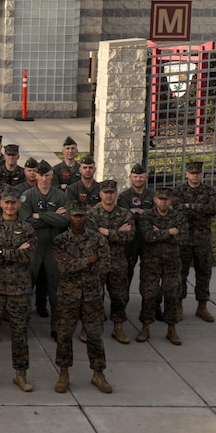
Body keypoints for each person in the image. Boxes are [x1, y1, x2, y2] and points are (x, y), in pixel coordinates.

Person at [52, 204, 113, 394]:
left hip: (92, 295)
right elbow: (63, 268)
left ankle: (98, 373)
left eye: (81, 216)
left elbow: (104, 266)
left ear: (86, 218)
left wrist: (75, 263)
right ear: (69, 217)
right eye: (75, 216)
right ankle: (63, 373)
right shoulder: (60, 241)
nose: (78, 219)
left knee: (95, 336)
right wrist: (88, 261)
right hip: (68, 295)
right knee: (64, 335)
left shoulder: (97, 239)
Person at [0, 189, 36, 391]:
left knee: (20, 333)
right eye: (7, 202)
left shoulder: (27, 229)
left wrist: (0, 251)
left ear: (19, 205)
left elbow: (29, 255)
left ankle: (20, 374)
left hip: (19, 289)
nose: (10, 206)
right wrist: (14, 252)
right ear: (1, 204)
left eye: (13, 203)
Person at [19, 160, 68, 331]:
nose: (44, 178)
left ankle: (56, 327)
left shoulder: (60, 196)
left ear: (52, 175)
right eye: (41, 175)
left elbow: (64, 220)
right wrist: (52, 216)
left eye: (47, 175)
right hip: (33, 248)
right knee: (26, 287)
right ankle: (22, 326)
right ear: (35, 175)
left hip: (53, 248)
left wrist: (39, 215)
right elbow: (26, 222)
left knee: (55, 288)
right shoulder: (27, 195)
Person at [137, 187, 188, 345]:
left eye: (166, 199)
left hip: (172, 264)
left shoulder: (179, 216)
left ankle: (171, 329)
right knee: (149, 295)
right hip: (151, 264)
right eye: (160, 198)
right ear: (155, 200)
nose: (163, 201)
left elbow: (183, 238)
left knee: (172, 296)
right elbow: (147, 236)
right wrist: (170, 232)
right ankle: (145, 327)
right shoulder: (147, 216)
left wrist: (159, 232)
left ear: (171, 200)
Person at [87, 179, 135, 343]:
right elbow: (91, 238)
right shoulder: (92, 214)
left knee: (119, 296)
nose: (108, 196)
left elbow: (129, 236)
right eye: (105, 192)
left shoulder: (124, 214)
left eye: (111, 192)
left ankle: (118, 328)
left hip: (117, 263)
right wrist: (117, 233)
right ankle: (91, 328)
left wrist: (106, 231)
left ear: (116, 194)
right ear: (100, 194)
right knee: (94, 296)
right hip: (98, 262)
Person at [175, 160, 216, 322]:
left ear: (202, 174)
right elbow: (176, 210)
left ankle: (202, 306)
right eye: (192, 173)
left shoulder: (209, 192)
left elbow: (213, 209)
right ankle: (178, 304)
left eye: (198, 173)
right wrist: (199, 208)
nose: (195, 176)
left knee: (204, 272)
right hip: (184, 239)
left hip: (202, 239)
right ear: (187, 174)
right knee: (181, 273)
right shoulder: (178, 191)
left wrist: (191, 206)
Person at [120, 162, 154, 286]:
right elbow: (126, 216)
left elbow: (157, 216)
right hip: (131, 239)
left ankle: (149, 304)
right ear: (131, 177)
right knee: (127, 271)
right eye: (135, 176)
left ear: (146, 178)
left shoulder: (153, 195)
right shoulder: (124, 196)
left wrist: (138, 211)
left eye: (141, 177)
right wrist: (146, 212)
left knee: (149, 273)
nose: (138, 179)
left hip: (148, 238)